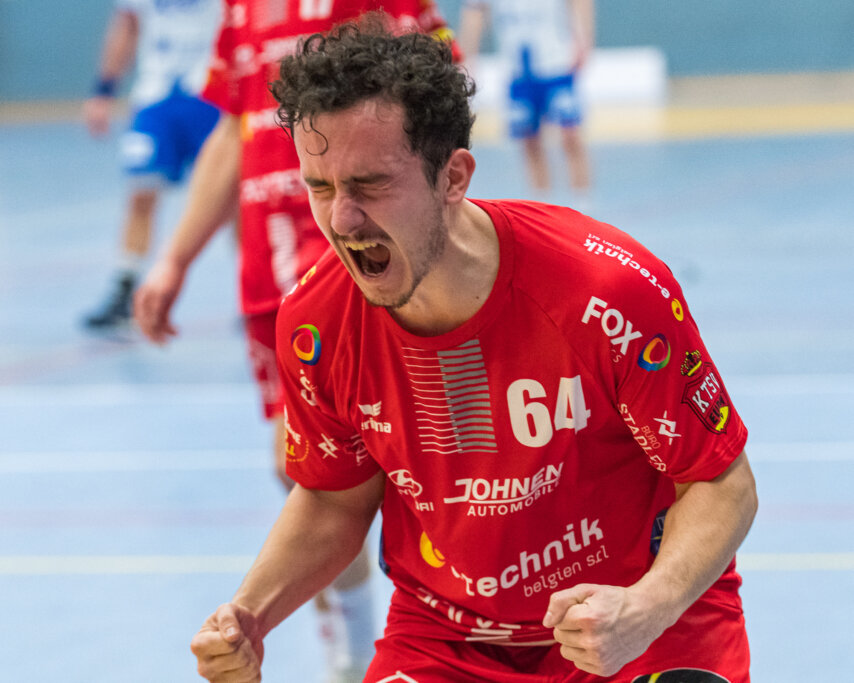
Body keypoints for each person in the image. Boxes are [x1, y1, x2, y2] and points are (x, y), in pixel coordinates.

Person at [189, 21, 757, 683]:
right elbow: (334, 499)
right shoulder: (315, 325)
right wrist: (250, 614)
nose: (341, 219)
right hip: (448, 641)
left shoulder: (607, 292)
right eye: (320, 187)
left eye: (370, 184)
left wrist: (648, 605)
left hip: (632, 624)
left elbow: (722, 481)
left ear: (453, 175)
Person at [133, 2, 457, 680]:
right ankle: (362, 638)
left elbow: (439, 106)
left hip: (368, 251)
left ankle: (437, 629)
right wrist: (175, 259)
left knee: (416, 456)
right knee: (301, 465)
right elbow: (231, 133)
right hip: (270, 273)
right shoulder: (242, 11)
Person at [81, 0, 221, 330]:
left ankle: (257, 283)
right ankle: (125, 287)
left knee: (234, 195)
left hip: (212, 92)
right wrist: (103, 89)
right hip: (157, 96)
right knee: (141, 193)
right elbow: (126, 25)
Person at [457, 0, 594, 199]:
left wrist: (584, 37)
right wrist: (469, 57)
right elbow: (474, 13)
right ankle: (542, 204)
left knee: (570, 134)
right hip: (517, 67)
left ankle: (583, 203)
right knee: (530, 140)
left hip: (558, 62)